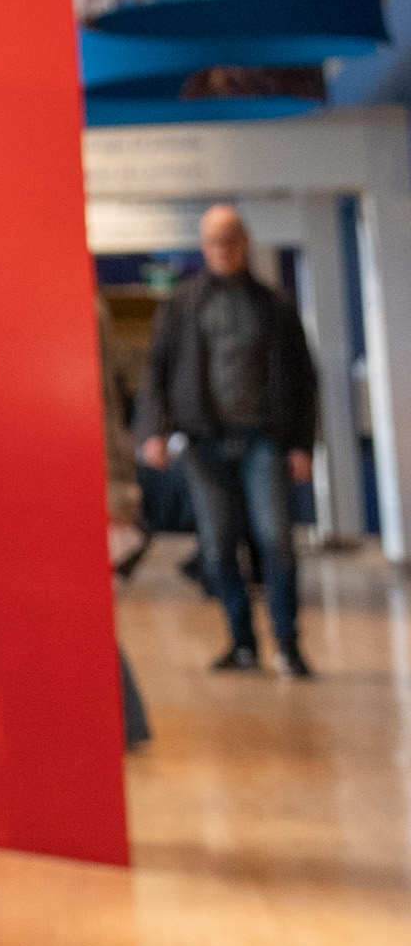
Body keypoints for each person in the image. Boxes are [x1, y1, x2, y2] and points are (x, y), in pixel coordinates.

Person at [135, 205, 319, 678]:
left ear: (245, 244)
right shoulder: (182, 304)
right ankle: (241, 643)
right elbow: (157, 372)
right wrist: (152, 431)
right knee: (216, 549)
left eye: (230, 241)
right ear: (204, 247)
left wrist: (301, 444)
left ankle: (288, 644)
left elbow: (302, 378)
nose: (222, 250)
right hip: (203, 443)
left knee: (275, 541)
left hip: (265, 442)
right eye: (213, 242)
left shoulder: (274, 305)